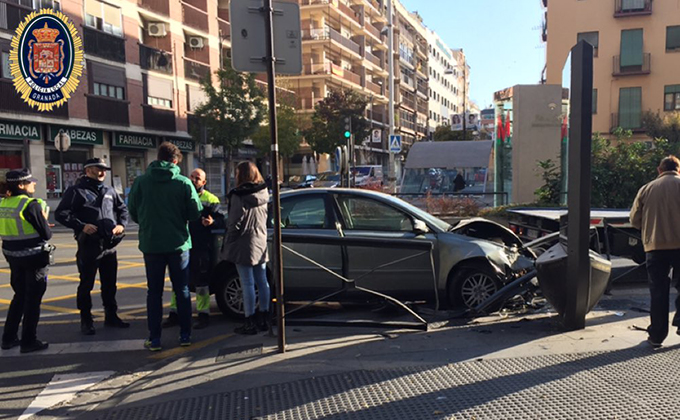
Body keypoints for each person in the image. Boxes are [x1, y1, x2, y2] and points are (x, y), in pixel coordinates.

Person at [128, 142, 202, 351]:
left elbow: (132, 210)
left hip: (151, 243)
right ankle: (185, 335)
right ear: (175, 160)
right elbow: (195, 212)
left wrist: (148, 222)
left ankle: (155, 338)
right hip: (178, 244)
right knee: (183, 290)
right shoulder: (183, 183)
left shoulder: (141, 182)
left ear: (157, 157)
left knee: (154, 292)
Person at [55, 158, 129, 335]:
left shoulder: (109, 190)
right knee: (86, 284)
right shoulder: (76, 191)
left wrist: (121, 225)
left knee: (110, 284)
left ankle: (111, 316)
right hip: (89, 245)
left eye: (104, 169)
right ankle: (86, 320)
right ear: (88, 171)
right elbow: (61, 213)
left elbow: (122, 209)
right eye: (98, 169)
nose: (102, 172)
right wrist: (81, 226)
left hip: (109, 245)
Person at [163, 168, 224, 330]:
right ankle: (174, 314)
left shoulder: (211, 199)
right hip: (180, 244)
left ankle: (203, 315)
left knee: (201, 282)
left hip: (201, 247)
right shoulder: (179, 195)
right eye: (192, 176)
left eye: (198, 178)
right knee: (177, 281)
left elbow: (221, 221)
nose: (194, 180)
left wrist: (212, 223)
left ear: (204, 182)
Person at [630, 155, 680, 348]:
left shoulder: (646, 189)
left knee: (658, 291)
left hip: (655, 247)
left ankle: (657, 336)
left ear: (660, 170)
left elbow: (634, 219)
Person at [0, 169, 52, 353]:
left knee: (19, 296)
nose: (34, 184)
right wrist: (44, 219)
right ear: (21, 185)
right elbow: (46, 234)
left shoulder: (3, 203)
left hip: (12, 256)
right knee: (33, 299)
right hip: (34, 257)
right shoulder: (31, 204)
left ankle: (8, 337)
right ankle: (29, 340)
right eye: (31, 182)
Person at [222, 161, 271, 335]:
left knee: (247, 283)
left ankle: (249, 321)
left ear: (241, 175)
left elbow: (234, 222)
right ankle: (264, 318)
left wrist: (229, 241)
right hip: (261, 241)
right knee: (262, 281)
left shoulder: (239, 195)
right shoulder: (264, 192)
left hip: (243, 243)